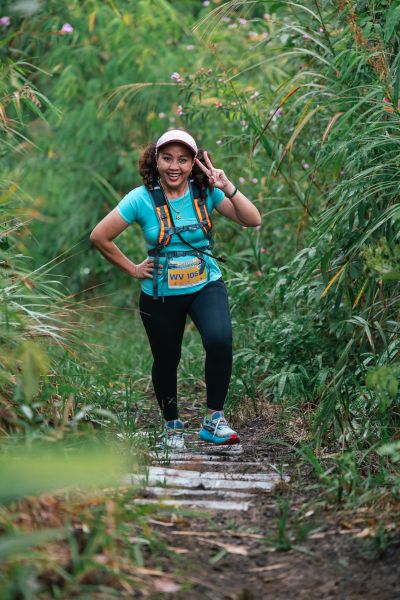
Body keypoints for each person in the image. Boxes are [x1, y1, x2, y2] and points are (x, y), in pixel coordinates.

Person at [90, 130, 261, 450]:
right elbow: (100, 236)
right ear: (155, 160)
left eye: (183, 160)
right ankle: (172, 426)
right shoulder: (140, 198)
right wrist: (133, 269)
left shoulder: (206, 192)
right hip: (160, 292)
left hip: (205, 283)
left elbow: (252, 219)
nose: (174, 166)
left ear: (193, 163)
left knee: (220, 339)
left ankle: (214, 421)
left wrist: (227, 187)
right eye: (167, 158)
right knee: (167, 359)